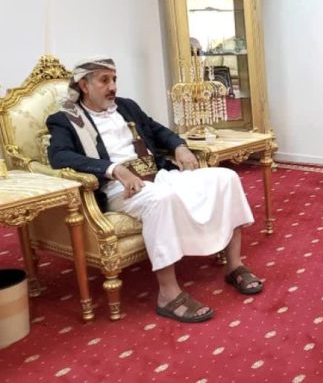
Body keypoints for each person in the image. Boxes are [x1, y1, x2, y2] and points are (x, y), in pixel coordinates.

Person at [46, 57, 263, 323]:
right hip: (118, 188)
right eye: (104, 80)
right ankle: (168, 295)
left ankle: (234, 266)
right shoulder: (65, 119)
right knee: (160, 199)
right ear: (84, 85)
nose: (112, 86)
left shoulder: (126, 106)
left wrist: (179, 147)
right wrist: (113, 169)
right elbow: (60, 156)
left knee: (226, 178)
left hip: (158, 174)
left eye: (114, 79)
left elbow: (158, 130)